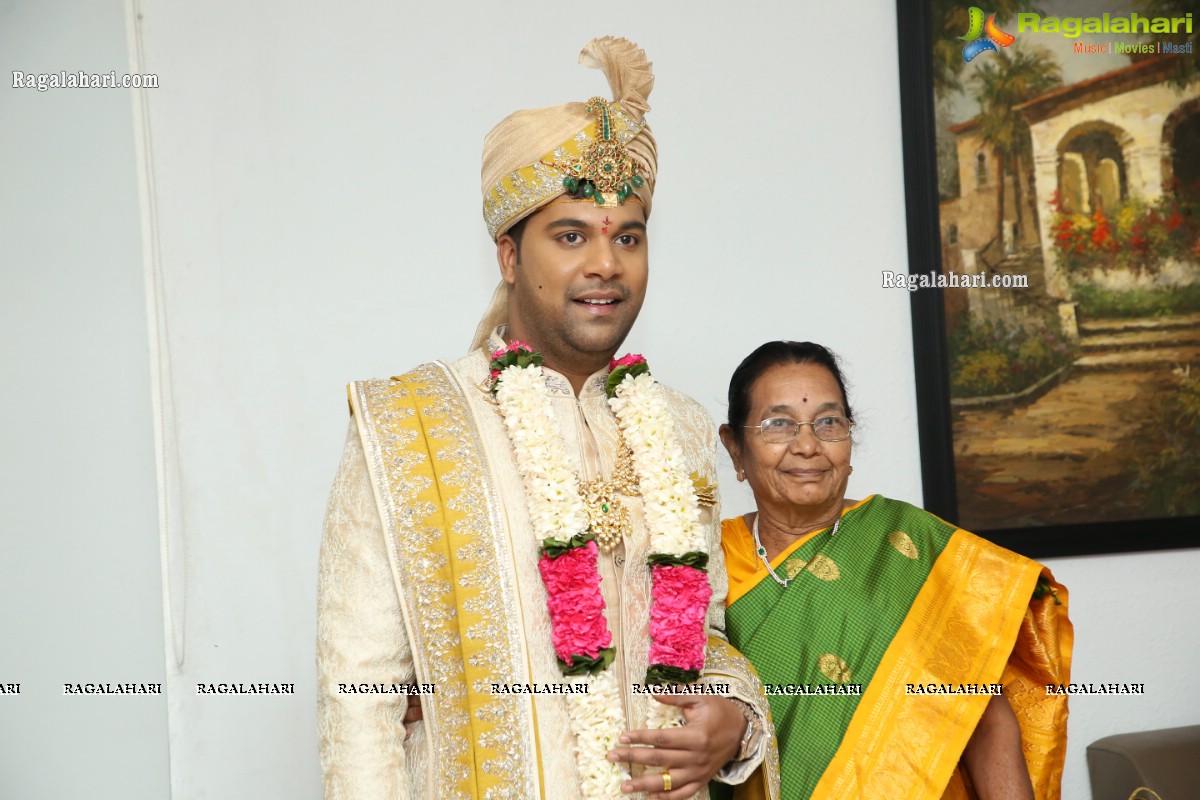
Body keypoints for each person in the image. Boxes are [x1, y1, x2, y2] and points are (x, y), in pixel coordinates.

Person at [317, 37, 778, 800]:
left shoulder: (683, 429)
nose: (606, 264)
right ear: (508, 254)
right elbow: (358, 697)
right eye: (571, 236)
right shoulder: (407, 426)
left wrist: (732, 714)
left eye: (627, 237)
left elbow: (707, 639)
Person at [717, 341, 1072, 800]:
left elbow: (986, 716)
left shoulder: (911, 543)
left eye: (829, 422)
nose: (807, 446)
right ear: (735, 447)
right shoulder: (703, 559)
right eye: (778, 424)